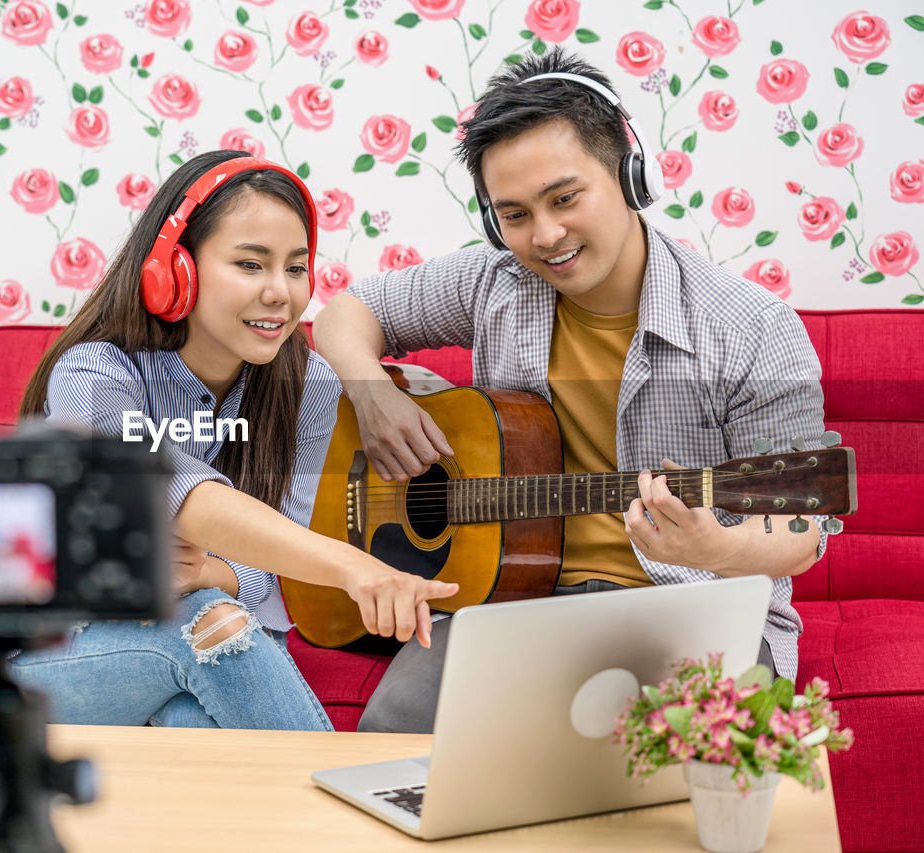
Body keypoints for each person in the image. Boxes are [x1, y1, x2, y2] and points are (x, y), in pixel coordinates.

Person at [314, 49, 829, 733]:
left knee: (664, 780)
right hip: (507, 600)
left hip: (689, 606)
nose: (545, 235)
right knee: (389, 734)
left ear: (629, 173)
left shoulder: (754, 329)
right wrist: (373, 394)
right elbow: (346, 313)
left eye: (565, 198)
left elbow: (800, 528)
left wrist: (715, 549)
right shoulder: (493, 281)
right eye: (515, 214)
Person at [7, 150, 458, 730]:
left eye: (296, 268)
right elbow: (175, 487)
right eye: (251, 265)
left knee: (190, 715)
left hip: (199, 648)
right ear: (176, 270)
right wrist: (354, 568)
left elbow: (260, 578)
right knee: (205, 621)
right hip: (58, 655)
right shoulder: (93, 375)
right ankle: (335, 810)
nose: (281, 293)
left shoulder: (309, 384)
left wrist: (206, 571)